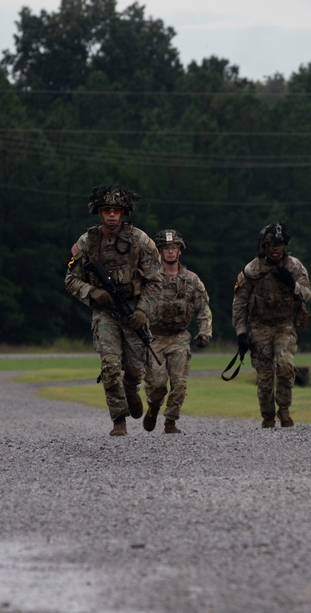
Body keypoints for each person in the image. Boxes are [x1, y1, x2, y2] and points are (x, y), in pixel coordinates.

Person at [65, 184, 162, 437]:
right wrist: (92, 292)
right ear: (99, 212)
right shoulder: (86, 242)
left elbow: (155, 280)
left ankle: (131, 390)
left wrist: (143, 310)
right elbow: (70, 279)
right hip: (105, 312)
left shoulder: (140, 240)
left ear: (123, 213)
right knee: (109, 366)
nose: (111, 215)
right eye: (107, 210)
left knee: (133, 369)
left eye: (116, 210)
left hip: (133, 310)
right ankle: (119, 419)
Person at [232, 222, 311, 428]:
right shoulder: (252, 270)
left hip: (285, 324)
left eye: (279, 244)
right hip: (259, 327)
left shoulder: (294, 267)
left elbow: (307, 294)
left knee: (285, 365)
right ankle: (268, 417)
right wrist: (241, 333)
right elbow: (239, 303)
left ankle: (284, 409)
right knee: (265, 378)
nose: (275, 248)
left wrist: (291, 284)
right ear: (264, 246)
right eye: (271, 244)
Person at [142, 229, 213, 435]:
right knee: (157, 384)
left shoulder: (191, 280)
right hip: (154, 337)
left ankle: (170, 421)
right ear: (160, 252)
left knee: (180, 383)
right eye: (166, 249)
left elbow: (203, 308)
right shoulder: (150, 279)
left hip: (180, 337)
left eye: (174, 248)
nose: (170, 252)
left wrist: (205, 332)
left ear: (180, 251)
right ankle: (154, 407)